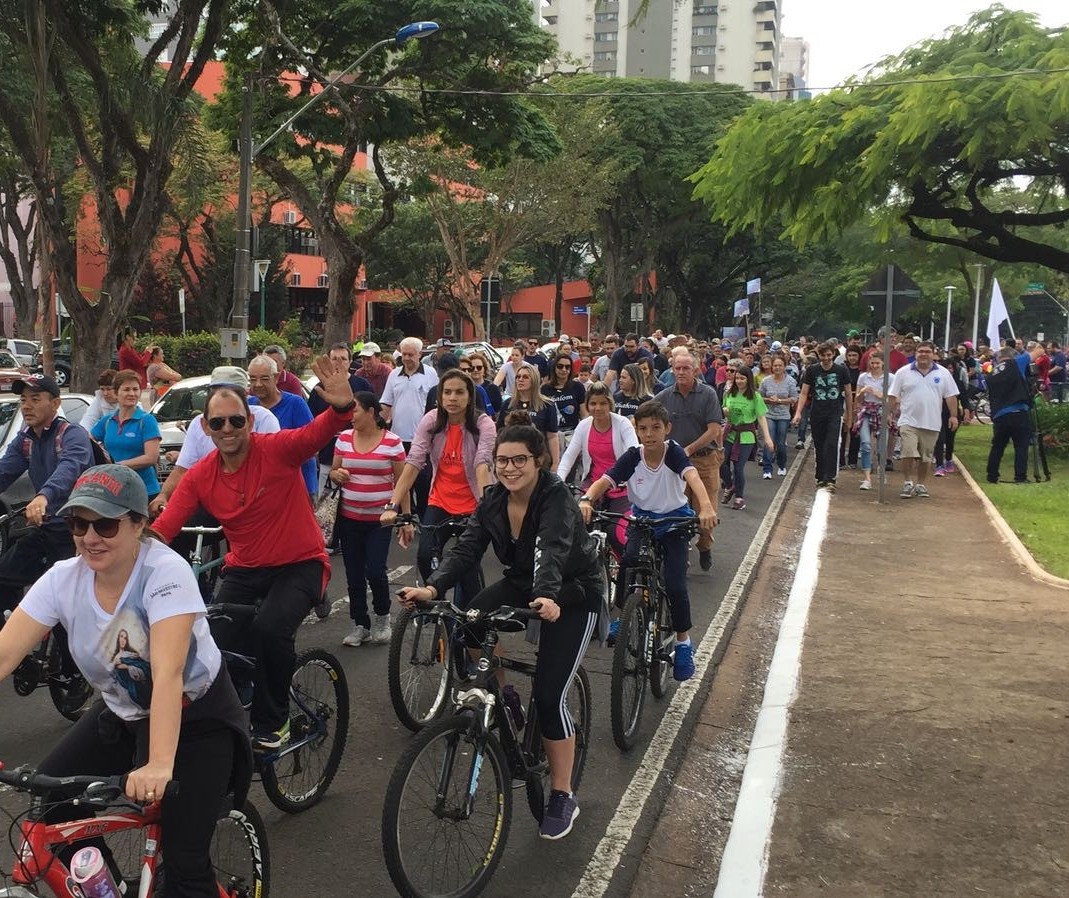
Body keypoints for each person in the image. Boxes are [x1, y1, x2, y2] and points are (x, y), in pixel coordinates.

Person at [0, 464, 250, 898]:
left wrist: (158, 764)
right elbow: (3, 653)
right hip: (124, 713)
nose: (90, 537)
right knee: (51, 805)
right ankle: (108, 887)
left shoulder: (164, 573)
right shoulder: (64, 579)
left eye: (106, 524)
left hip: (197, 718)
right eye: (80, 523)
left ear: (138, 524)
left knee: (186, 865)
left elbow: (169, 674)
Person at [399, 423, 602, 841]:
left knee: (549, 698)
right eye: (503, 460)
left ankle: (563, 795)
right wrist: (432, 586)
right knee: (469, 622)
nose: (509, 468)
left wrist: (547, 597)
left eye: (519, 460)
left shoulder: (556, 497)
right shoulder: (493, 500)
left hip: (572, 592)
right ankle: (504, 696)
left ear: (538, 461)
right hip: (525, 583)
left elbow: (552, 548)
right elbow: (467, 548)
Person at [152, 355, 358, 750]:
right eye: (217, 423)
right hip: (245, 569)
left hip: (300, 564)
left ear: (250, 420)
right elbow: (165, 529)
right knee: (211, 644)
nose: (227, 429)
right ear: (205, 428)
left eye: (235, 420)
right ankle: (225, 714)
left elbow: (320, 432)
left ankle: (273, 721)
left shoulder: (276, 449)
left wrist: (342, 406)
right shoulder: (200, 475)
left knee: (269, 629)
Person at [579, 401, 716, 680]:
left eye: (656, 427)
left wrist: (706, 507)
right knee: (629, 564)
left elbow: (693, 478)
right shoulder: (633, 456)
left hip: (674, 522)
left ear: (667, 428)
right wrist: (587, 499)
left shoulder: (674, 453)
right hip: (642, 521)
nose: (649, 433)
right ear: (637, 431)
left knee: (675, 584)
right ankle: (625, 615)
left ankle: (683, 642)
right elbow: (605, 480)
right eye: (643, 428)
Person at [384, 371, 495, 611]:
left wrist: (487, 505)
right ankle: (437, 610)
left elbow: (482, 463)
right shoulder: (431, 421)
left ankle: (473, 629)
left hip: (473, 505)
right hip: (440, 501)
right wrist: (392, 506)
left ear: (469, 396)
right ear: (440, 396)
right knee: (425, 555)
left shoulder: (483, 424)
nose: (452, 397)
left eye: (459, 392)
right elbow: (414, 462)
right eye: (447, 392)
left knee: (467, 570)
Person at [0, 374, 93, 615]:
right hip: (45, 528)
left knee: (64, 605)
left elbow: (70, 467)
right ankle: (15, 644)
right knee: (3, 577)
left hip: (77, 532)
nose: (26, 406)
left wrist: (44, 496)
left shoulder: (73, 434)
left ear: (55, 403)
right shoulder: (25, 440)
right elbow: (3, 472)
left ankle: (66, 650)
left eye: (35, 398)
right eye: (22, 400)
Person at [329, 392, 411, 647]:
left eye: (354, 411)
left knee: (375, 570)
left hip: (380, 520)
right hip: (348, 517)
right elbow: (333, 470)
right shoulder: (343, 438)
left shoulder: (392, 442)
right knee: (353, 574)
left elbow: (403, 482)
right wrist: (337, 474)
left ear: (372, 412)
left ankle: (383, 616)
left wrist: (404, 517)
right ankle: (360, 624)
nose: (349, 416)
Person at [653, 348, 722, 571]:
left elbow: (713, 429)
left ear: (695, 370)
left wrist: (689, 449)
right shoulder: (664, 397)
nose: (681, 372)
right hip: (675, 464)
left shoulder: (708, 394)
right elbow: (648, 416)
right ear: (672, 370)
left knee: (706, 513)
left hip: (704, 461)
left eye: (686, 368)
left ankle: (704, 546)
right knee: (678, 512)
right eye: (677, 369)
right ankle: (680, 554)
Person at [887, 340, 960, 499]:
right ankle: (907, 482)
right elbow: (893, 395)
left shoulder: (943, 373)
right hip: (908, 420)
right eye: (921, 352)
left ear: (933, 354)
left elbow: (951, 396)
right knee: (908, 451)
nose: (924, 355)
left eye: (927, 352)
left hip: (931, 422)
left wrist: (954, 416)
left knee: (926, 457)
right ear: (915, 353)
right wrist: (888, 413)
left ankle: (920, 484)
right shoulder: (903, 372)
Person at [381, 337, 439, 516]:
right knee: (402, 481)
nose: (406, 358)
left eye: (411, 355)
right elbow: (386, 404)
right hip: (399, 439)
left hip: (422, 439)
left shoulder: (430, 374)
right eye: (404, 354)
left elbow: (437, 405)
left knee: (423, 481)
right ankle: (406, 517)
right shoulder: (394, 374)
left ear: (420, 355)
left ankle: (423, 517)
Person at [247, 355, 317, 500]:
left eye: (264, 379)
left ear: (276, 377)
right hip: (258, 491)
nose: (258, 384)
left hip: (297, 488)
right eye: (253, 379)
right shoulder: (248, 407)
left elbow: (312, 445)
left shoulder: (295, 404)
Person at [309, 343, 373, 496]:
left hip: (359, 459)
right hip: (327, 458)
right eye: (334, 359)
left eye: (343, 359)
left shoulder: (363, 385)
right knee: (326, 510)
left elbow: (373, 419)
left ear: (350, 362)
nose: (338, 363)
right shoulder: (318, 389)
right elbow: (311, 423)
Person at [91, 370, 162, 502]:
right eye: (126, 389)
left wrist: (117, 466)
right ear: (116, 393)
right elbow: (87, 440)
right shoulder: (107, 421)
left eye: (135, 389)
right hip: (114, 491)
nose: (132, 394)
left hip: (144, 491)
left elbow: (151, 458)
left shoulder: (147, 420)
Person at [793, 342, 853, 492]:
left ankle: (830, 478)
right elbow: (804, 393)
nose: (826, 358)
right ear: (818, 356)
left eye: (829, 355)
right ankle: (820, 477)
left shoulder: (841, 370)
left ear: (833, 354)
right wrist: (798, 412)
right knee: (819, 445)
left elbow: (848, 394)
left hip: (834, 412)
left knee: (832, 444)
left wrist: (849, 415)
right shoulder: (812, 370)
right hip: (817, 412)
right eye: (823, 355)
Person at [720, 367, 775, 510]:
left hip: (746, 436)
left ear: (748, 379)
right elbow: (725, 411)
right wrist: (725, 412)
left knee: (738, 467)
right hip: (730, 432)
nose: (739, 381)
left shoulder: (755, 397)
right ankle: (730, 485)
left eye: (742, 378)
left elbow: (761, 417)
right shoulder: (729, 394)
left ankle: (739, 498)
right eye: (737, 378)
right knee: (720, 461)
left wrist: (768, 438)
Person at [984, 346, 1034, 484]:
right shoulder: (1016, 363)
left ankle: (992, 475)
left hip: (999, 414)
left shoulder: (991, 374)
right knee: (1021, 446)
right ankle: (1020, 477)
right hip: (1018, 410)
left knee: (998, 446)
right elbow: (1038, 351)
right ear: (1014, 356)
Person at [496, 363, 561, 466]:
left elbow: (552, 436)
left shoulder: (547, 405)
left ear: (534, 380)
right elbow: (499, 433)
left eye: (525, 377)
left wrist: (556, 464)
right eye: (518, 377)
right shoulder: (508, 404)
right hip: (512, 459)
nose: (520, 380)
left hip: (538, 459)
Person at [853, 353, 892, 491]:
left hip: (882, 411)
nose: (874, 366)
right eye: (872, 363)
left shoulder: (890, 378)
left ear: (883, 363)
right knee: (865, 444)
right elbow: (857, 399)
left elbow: (894, 400)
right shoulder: (863, 377)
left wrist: (880, 395)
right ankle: (867, 478)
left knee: (882, 447)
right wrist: (863, 391)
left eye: (877, 363)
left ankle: (882, 473)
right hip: (866, 410)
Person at [758, 355, 798, 478]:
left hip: (783, 415)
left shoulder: (790, 381)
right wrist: (768, 399)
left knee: (780, 443)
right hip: (769, 414)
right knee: (769, 440)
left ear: (784, 367)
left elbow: (794, 398)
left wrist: (780, 400)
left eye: (780, 365)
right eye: (775, 365)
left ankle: (781, 465)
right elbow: (759, 397)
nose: (777, 368)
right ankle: (767, 469)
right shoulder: (766, 381)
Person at [544, 352, 587, 452]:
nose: (564, 370)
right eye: (560, 366)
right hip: (552, 435)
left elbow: (584, 414)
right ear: (554, 368)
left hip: (573, 434)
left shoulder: (578, 387)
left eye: (567, 367)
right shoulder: (545, 390)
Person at [79, 369, 119, 433]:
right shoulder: (99, 399)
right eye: (102, 389)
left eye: (109, 389)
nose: (105, 393)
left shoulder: (127, 401)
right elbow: (89, 419)